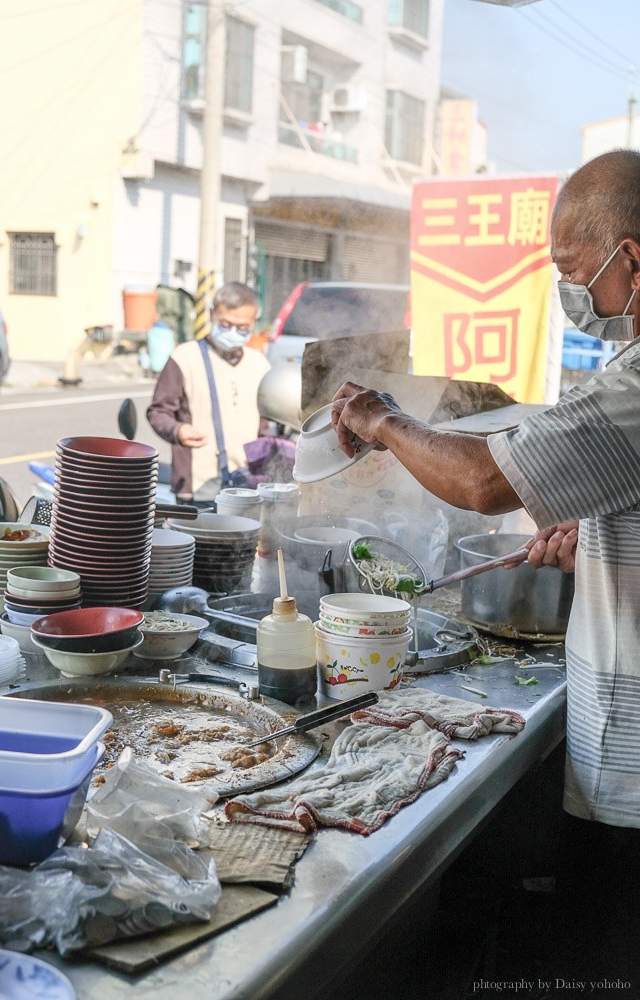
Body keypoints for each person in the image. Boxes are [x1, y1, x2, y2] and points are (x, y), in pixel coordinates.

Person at [331, 150, 640, 957]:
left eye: (573, 271)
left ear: (629, 259)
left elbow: (478, 482)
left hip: (636, 770)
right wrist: (604, 543)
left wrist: (382, 422)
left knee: (603, 953)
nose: (572, 293)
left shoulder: (637, 384)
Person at [147, 281, 271, 501]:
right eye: (225, 324)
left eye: (242, 328)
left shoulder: (260, 364)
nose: (233, 332)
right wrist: (178, 430)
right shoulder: (184, 357)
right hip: (196, 488)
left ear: (254, 323)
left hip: (246, 487)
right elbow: (158, 411)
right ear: (212, 314)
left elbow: (264, 427)